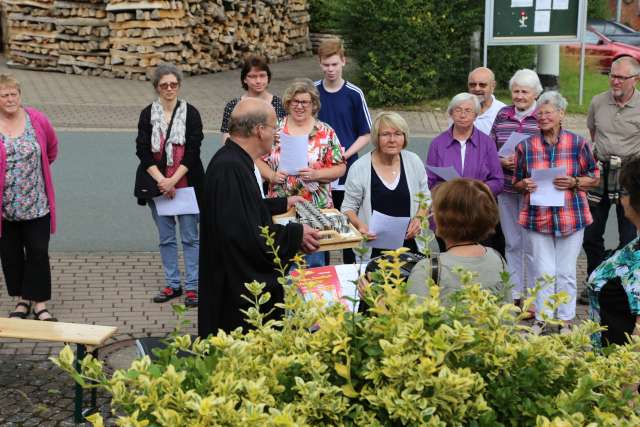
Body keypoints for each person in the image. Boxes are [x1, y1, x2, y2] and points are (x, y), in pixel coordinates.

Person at [198, 98, 321, 337]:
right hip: (234, 291)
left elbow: (244, 208)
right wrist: (296, 234)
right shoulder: (230, 167)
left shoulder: (233, 159)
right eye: (274, 127)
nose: (276, 134)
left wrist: (283, 203)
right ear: (259, 130)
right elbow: (245, 234)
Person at [513, 91, 599, 335]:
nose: (543, 117)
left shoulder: (578, 143)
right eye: (539, 113)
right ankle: (542, 318)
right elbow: (517, 182)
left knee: (565, 272)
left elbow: (594, 177)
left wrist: (573, 181)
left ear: (561, 114)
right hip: (537, 217)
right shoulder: (525, 146)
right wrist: (525, 185)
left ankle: (565, 320)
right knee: (543, 272)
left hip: (571, 216)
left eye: (548, 112)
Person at [256, 78, 346, 267]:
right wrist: (271, 176)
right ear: (288, 103)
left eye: (305, 102)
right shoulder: (276, 129)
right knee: (282, 265)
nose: (299, 106)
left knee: (314, 267)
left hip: (316, 209)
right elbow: (257, 158)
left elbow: (340, 167)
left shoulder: (325, 132)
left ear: (313, 105)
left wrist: (317, 174)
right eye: (294, 102)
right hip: (281, 208)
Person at [135, 63, 204, 307]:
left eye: (173, 84)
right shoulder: (147, 114)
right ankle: (173, 284)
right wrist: (161, 181)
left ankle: (194, 286)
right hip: (157, 185)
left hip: (185, 183)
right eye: (164, 85)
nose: (169, 88)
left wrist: (173, 180)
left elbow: (194, 151)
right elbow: (142, 151)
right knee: (166, 238)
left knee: (190, 238)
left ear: (179, 85)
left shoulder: (191, 113)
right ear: (156, 88)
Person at [0, 74, 58, 321]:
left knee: (38, 251)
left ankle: (40, 304)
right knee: (11, 256)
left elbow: (52, 150)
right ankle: (22, 300)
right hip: (4, 208)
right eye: (4, 95)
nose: (10, 99)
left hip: (36, 203)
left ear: (20, 95)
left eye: (13, 94)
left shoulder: (37, 119)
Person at [582, 56, 640, 284]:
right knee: (591, 234)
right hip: (601, 173)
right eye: (612, 76)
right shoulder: (597, 101)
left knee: (628, 237)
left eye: (621, 77)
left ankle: (623, 284)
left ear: (635, 79)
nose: (615, 81)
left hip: (631, 175)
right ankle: (595, 281)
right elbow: (593, 133)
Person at [341, 112, 429, 260]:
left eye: (398, 134)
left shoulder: (413, 161)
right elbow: (347, 208)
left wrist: (419, 218)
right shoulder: (359, 168)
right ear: (376, 137)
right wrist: (360, 226)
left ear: (404, 137)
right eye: (386, 134)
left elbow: (425, 198)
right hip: (373, 249)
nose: (392, 140)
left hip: (410, 247)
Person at [314, 38, 372, 263]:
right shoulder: (313, 91)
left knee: (345, 228)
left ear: (343, 62)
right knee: (323, 232)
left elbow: (366, 134)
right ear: (320, 63)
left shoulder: (354, 93)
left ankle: (349, 277)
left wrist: (343, 155)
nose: (330, 69)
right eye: (326, 65)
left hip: (347, 173)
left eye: (334, 64)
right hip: (317, 175)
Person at [405, 179, 508, 304]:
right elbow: (508, 314)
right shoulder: (498, 260)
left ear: (442, 219)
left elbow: (413, 319)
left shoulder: (427, 269)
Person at [490, 68, 542, 306]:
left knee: (532, 244)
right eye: (516, 91)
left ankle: (532, 295)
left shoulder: (542, 115)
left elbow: (550, 150)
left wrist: (524, 163)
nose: (519, 96)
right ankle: (514, 294)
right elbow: (490, 147)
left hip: (533, 189)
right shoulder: (502, 114)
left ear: (535, 94)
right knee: (512, 243)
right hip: (507, 188)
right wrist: (500, 161)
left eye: (525, 92)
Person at [426, 92, 503, 252]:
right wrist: (448, 191)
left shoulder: (487, 143)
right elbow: (430, 181)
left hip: (478, 212)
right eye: (458, 110)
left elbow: (498, 181)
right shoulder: (437, 143)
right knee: (450, 260)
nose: (462, 115)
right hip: (448, 212)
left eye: (468, 111)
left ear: (476, 115)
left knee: (478, 261)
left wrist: (475, 191)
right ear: (451, 113)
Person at [587, 156, 640, 348]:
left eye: (624, 192)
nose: (620, 198)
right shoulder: (634, 246)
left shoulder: (637, 262)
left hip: (622, 370)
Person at [220, 55, 286, 197]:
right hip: (245, 166)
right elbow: (227, 140)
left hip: (276, 168)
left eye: (262, 76)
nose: (258, 81)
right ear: (244, 79)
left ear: (268, 77)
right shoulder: (234, 105)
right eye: (252, 76)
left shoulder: (279, 104)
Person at [467, 67, 506, 136]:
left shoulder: (503, 112)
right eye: (472, 85)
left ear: (493, 86)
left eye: (482, 85)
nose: (477, 88)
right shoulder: (459, 109)